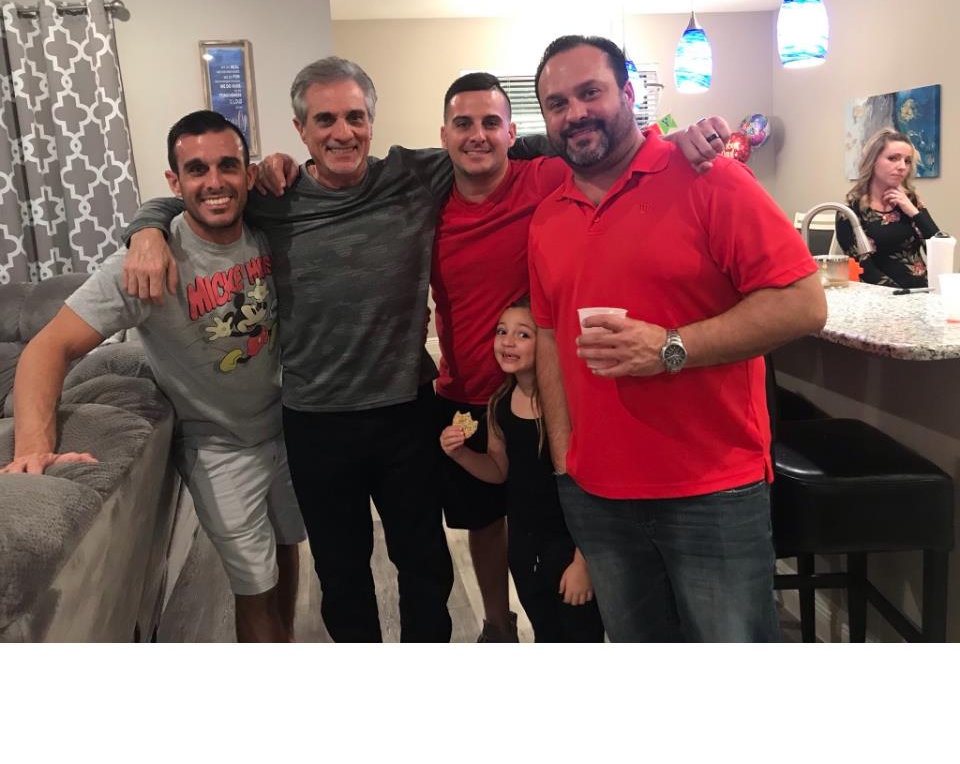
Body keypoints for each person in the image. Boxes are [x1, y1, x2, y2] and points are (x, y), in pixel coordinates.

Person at [125, 58, 730, 643]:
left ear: (372, 121)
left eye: (355, 117)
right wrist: (147, 227)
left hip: (406, 407)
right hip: (315, 419)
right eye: (326, 120)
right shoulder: (272, 197)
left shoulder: (414, 175)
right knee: (342, 573)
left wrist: (673, 141)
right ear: (300, 130)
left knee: (425, 565)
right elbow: (201, 196)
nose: (343, 132)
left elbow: (548, 143)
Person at [528, 34, 827, 642]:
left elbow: (804, 303)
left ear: (630, 95)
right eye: (557, 103)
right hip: (597, 493)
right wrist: (565, 465)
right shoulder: (547, 215)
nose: (575, 112)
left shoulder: (710, 178)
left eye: (591, 92)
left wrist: (671, 347)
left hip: (710, 490)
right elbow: (548, 339)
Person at [432, 71, 730, 641]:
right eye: (464, 125)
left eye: (491, 123)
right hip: (469, 388)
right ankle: (497, 624)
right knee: (488, 518)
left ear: (513, 130)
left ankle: (582, 602)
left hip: (551, 389)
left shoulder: (545, 174)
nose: (478, 135)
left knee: (562, 507)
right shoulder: (425, 200)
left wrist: (681, 136)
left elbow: (614, 149)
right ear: (443, 134)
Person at [1, 111, 304, 643]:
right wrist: (31, 445)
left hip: (292, 428)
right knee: (253, 586)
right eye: (197, 169)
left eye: (228, 165)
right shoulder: (141, 266)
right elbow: (47, 347)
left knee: (285, 547)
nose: (214, 182)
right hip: (219, 447)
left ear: (247, 172)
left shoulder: (266, 225)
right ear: (175, 181)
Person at [440, 297, 605, 642]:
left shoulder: (567, 406)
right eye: (502, 331)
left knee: (580, 635)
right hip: (525, 547)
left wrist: (584, 562)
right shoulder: (499, 403)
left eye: (523, 334)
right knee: (545, 629)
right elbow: (499, 470)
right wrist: (460, 455)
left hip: (571, 549)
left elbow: (593, 488)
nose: (508, 341)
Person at [836, 127, 942, 288]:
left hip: (922, 293)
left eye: (907, 161)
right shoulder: (850, 211)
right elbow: (864, 268)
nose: (902, 167)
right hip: (880, 298)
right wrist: (901, 296)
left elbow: (939, 249)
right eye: (893, 158)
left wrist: (913, 212)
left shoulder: (910, 201)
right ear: (873, 161)